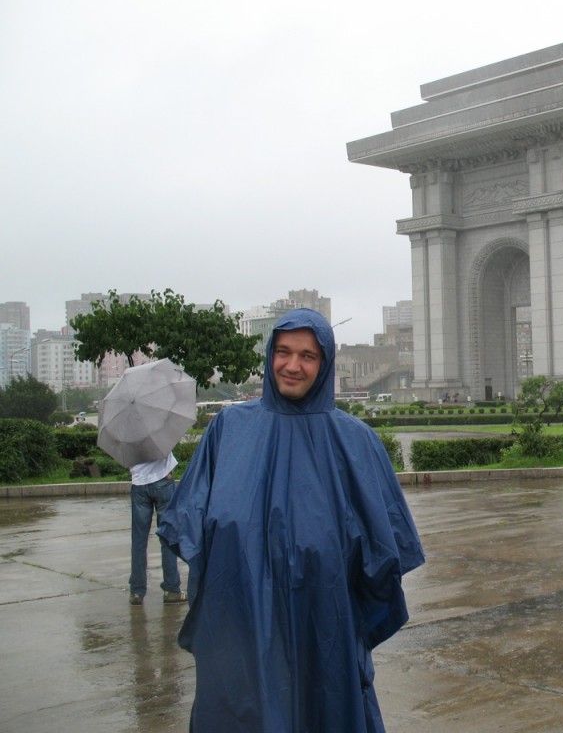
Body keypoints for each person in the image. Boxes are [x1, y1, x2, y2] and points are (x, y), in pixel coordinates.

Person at [158, 308, 424, 732]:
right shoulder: (229, 430)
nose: (293, 366)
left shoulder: (356, 444)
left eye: (308, 355)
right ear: (269, 356)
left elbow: (385, 554)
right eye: (283, 352)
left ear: (325, 364)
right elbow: (187, 526)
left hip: (326, 632)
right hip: (242, 630)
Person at [128, 451, 186, 605]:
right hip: (163, 481)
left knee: (139, 541)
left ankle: (136, 592)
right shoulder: (159, 427)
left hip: (139, 485)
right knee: (167, 538)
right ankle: (171, 589)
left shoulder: (126, 432)